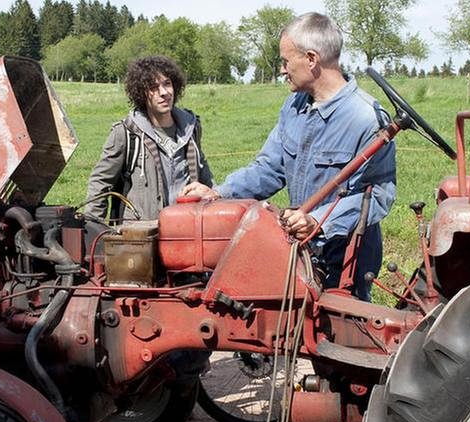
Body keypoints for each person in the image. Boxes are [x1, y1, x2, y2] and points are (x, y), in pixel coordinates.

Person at [181, 12, 396, 301]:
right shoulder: (295, 106)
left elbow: (378, 195)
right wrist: (217, 193)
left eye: (285, 61)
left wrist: (318, 222)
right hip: (296, 252)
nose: (282, 70)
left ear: (311, 59)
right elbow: (269, 168)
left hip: (344, 260)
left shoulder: (366, 118)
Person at [84, 55, 213, 223]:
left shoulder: (191, 128)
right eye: (153, 87)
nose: (164, 93)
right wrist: (93, 232)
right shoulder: (125, 133)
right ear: (141, 93)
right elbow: (100, 183)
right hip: (140, 236)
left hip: (186, 229)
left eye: (167, 83)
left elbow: (206, 180)